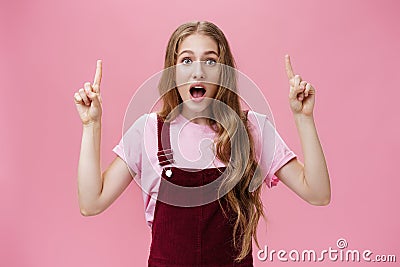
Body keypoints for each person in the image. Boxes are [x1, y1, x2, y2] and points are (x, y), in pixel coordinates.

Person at [74, 21, 331, 267]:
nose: (198, 71)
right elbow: (91, 203)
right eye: (186, 60)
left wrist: (303, 118)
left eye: (210, 61)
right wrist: (91, 125)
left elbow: (318, 193)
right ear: (172, 72)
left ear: (224, 71)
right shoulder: (147, 130)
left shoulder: (252, 128)